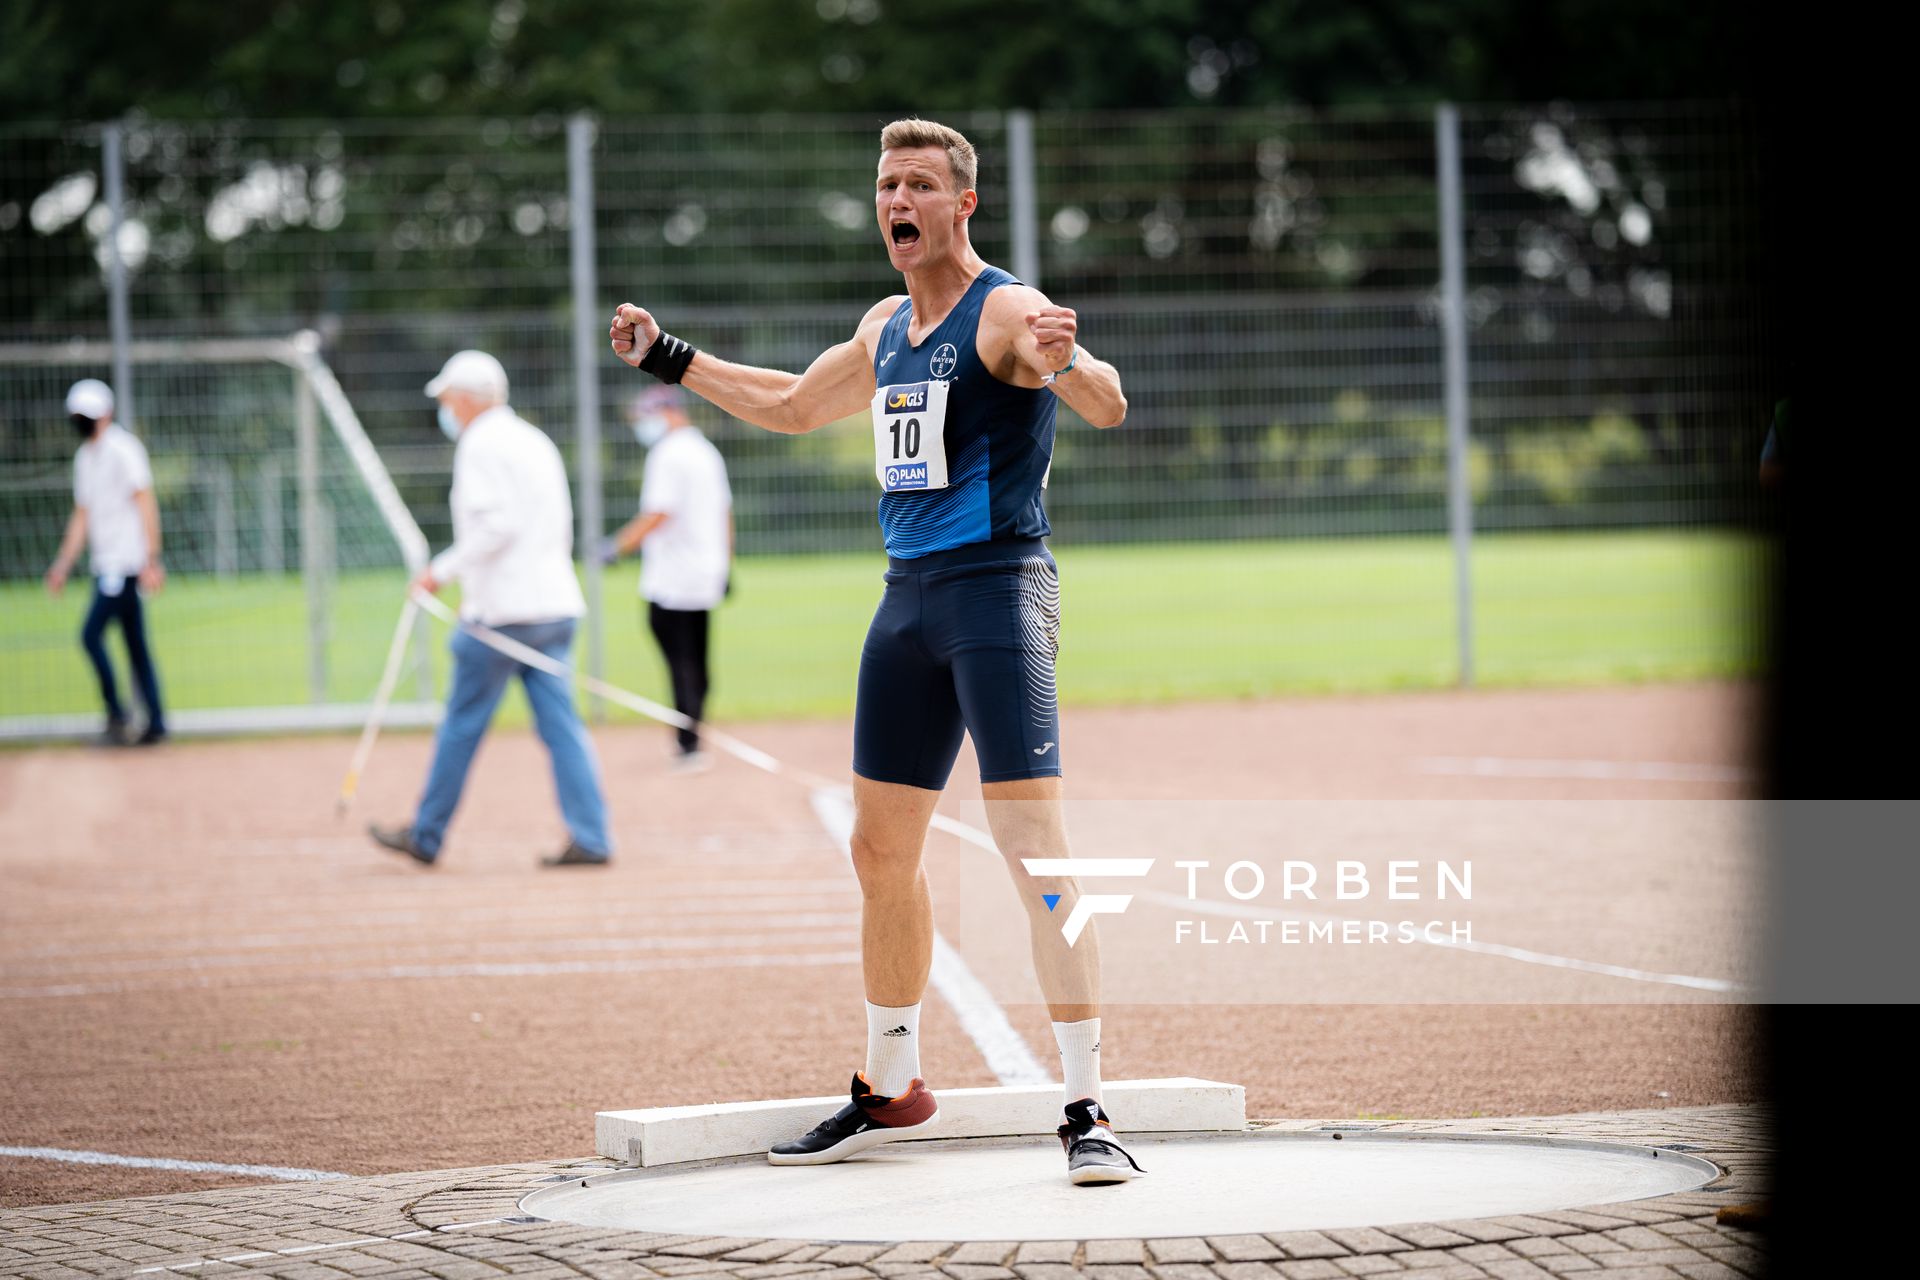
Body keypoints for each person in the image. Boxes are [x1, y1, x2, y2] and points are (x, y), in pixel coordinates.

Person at [610, 118, 1137, 1184]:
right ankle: (891, 1082)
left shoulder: (1008, 309)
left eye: (919, 184)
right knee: (879, 851)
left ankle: (1086, 1102)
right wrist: (670, 354)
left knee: (1035, 843)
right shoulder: (888, 325)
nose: (897, 199)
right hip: (907, 606)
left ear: (962, 205)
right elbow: (797, 404)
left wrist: (1067, 357)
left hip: (997, 592)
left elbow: (1108, 400)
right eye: (887, 183)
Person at [369, 350, 614, 870]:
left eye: (446, 400)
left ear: (462, 399)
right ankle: (591, 835)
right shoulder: (533, 440)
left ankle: (427, 835)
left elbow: (495, 528)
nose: (445, 410)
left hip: (504, 615)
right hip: (554, 604)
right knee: (561, 726)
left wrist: (441, 571)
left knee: (461, 722)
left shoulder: (479, 445)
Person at [600, 385, 735, 773]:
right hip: (706, 570)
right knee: (696, 655)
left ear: (667, 412)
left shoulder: (669, 454)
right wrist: (726, 562)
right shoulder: (705, 451)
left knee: (679, 657)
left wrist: (617, 546)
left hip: (675, 575)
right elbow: (725, 511)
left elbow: (658, 513)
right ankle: (693, 735)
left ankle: (687, 741)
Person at [43, 379, 167, 746]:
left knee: (90, 635)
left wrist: (152, 559)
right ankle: (155, 723)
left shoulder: (123, 449)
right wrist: (63, 564)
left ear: (107, 414)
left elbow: (146, 502)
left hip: (125, 564)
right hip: (105, 564)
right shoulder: (85, 458)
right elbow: (82, 516)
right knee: (135, 645)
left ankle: (118, 714)